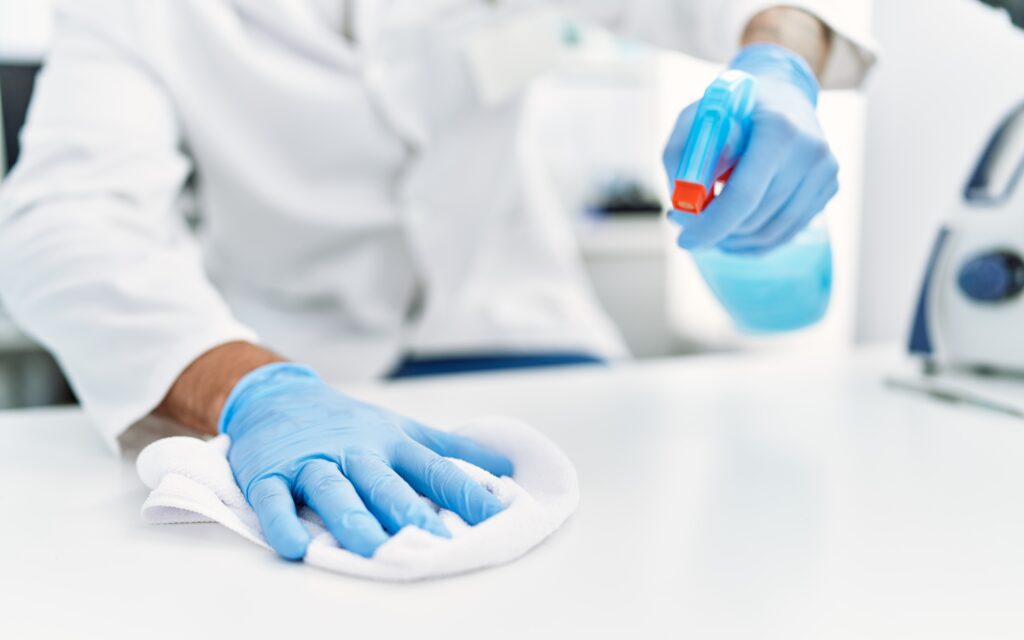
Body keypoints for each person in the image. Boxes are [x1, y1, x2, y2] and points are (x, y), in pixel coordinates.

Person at [0, 1, 874, 559]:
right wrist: (252, 389)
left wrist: (780, 62)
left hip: (530, 336)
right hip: (297, 387)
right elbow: (64, 219)